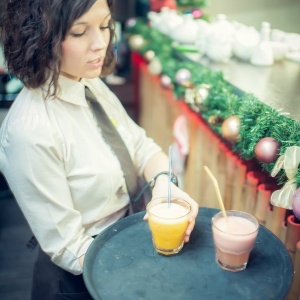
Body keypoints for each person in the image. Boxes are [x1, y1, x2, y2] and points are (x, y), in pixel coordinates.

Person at [0, 0, 199, 299]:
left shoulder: (88, 83)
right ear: (40, 36)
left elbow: (140, 146)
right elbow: (69, 247)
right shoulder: (29, 131)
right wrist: (141, 274)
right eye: (79, 32)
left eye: (105, 26)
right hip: (82, 276)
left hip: (126, 240)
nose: (100, 44)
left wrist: (164, 186)